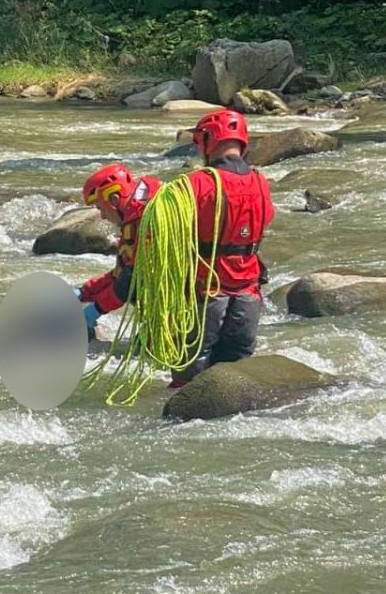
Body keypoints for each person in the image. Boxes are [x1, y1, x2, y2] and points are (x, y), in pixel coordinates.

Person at [169, 109, 275, 387]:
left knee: (190, 371)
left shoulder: (195, 184)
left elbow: (165, 230)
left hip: (207, 290)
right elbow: (264, 221)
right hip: (248, 292)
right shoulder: (261, 183)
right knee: (235, 374)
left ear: (207, 140)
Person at [77, 163, 161, 336]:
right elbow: (120, 272)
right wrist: (83, 292)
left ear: (114, 200)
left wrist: (95, 310)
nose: (102, 216)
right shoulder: (134, 217)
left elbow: (130, 281)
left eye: (100, 208)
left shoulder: (149, 218)